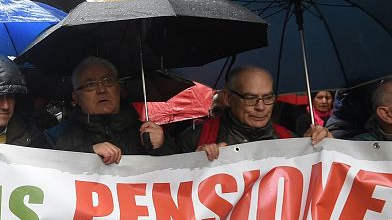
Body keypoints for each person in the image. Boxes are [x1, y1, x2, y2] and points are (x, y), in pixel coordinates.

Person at [179, 66, 331, 160]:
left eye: (268, 97)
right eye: (250, 98)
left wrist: (319, 149)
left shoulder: (288, 139)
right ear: (228, 98)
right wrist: (193, 165)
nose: (261, 107)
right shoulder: (195, 139)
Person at [49, 56, 175, 164]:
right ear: (76, 97)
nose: (102, 89)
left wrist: (162, 146)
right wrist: (88, 153)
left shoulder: (143, 132)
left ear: (119, 88)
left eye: (108, 81)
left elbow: (178, 178)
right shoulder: (56, 136)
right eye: (90, 84)